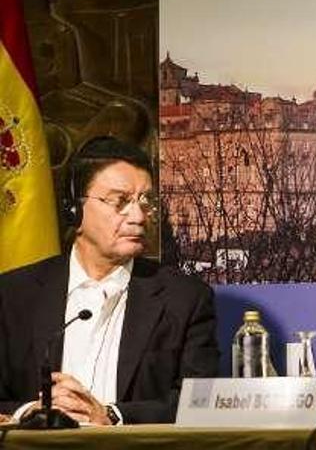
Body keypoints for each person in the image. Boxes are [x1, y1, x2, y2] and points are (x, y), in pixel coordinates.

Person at [0, 136, 219, 424]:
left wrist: (111, 415)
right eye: (120, 201)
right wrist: (29, 413)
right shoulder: (13, 294)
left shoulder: (186, 298)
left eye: (146, 202)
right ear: (74, 209)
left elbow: (198, 402)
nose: (138, 216)